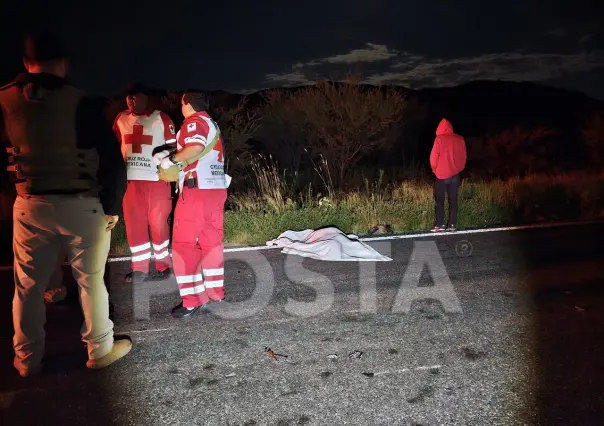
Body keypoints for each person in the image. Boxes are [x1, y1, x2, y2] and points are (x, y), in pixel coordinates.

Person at [0, 31, 132, 376]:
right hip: (81, 205)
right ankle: (99, 349)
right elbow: (113, 162)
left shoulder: (5, 100)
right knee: (90, 280)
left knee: (27, 287)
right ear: (63, 64)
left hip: (29, 203)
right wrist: (111, 207)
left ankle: (27, 359)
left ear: (27, 63)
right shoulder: (82, 103)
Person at [155, 91, 230, 318]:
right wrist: (173, 152)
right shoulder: (212, 124)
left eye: (182, 104)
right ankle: (216, 292)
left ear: (187, 104)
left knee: (183, 245)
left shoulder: (193, 122)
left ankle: (192, 300)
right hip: (215, 191)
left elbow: (195, 148)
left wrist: (171, 159)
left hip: (196, 191)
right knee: (211, 243)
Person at [113, 84, 176, 283]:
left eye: (135, 96)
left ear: (146, 98)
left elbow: (175, 146)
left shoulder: (161, 118)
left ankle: (163, 265)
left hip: (157, 181)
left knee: (158, 224)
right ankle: (139, 269)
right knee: (134, 226)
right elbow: (113, 147)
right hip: (131, 183)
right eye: (128, 97)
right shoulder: (121, 119)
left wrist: (165, 156)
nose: (131, 100)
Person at [429, 118, 467, 232]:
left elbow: (433, 158)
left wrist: (435, 170)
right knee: (453, 200)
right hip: (455, 175)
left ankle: (439, 225)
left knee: (440, 201)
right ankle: (452, 225)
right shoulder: (460, 139)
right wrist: (458, 168)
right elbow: (463, 157)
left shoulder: (439, 139)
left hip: (441, 175)